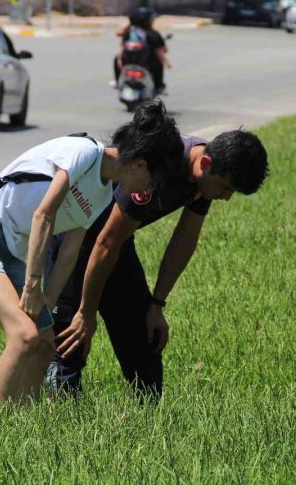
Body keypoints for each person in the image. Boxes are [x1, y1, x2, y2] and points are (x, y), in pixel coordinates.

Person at [0, 100, 184, 404]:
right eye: (153, 183)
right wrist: (33, 285)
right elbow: (43, 215)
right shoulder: (84, 152)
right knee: (24, 336)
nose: (149, 192)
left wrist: (48, 300)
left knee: (46, 340)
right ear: (139, 165)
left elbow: (70, 251)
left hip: (13, 248)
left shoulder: (103, 193)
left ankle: (25, 425)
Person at [45, 129, 269, 400]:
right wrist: (86, 312)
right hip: (75, 240)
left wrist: (156, 304)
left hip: (116, 246)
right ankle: (57, 421)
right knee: (68, 348)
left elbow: (184, 239)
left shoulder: (203, 176)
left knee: (145, 354)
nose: (226, 197)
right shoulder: (158, 170)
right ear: (206, 164)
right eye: (225, 188)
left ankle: (146, 423)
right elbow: (104, 243)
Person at [111, 6, 171, 95]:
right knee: (159, 65)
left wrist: (120, 59)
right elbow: (160, 51)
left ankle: (117, 81)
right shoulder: (153, 34)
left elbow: (122, 46)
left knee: (116, 59)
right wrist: (166, 61)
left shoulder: (130, 32)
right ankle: (159, 86)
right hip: (147, 62)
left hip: (128, 62)